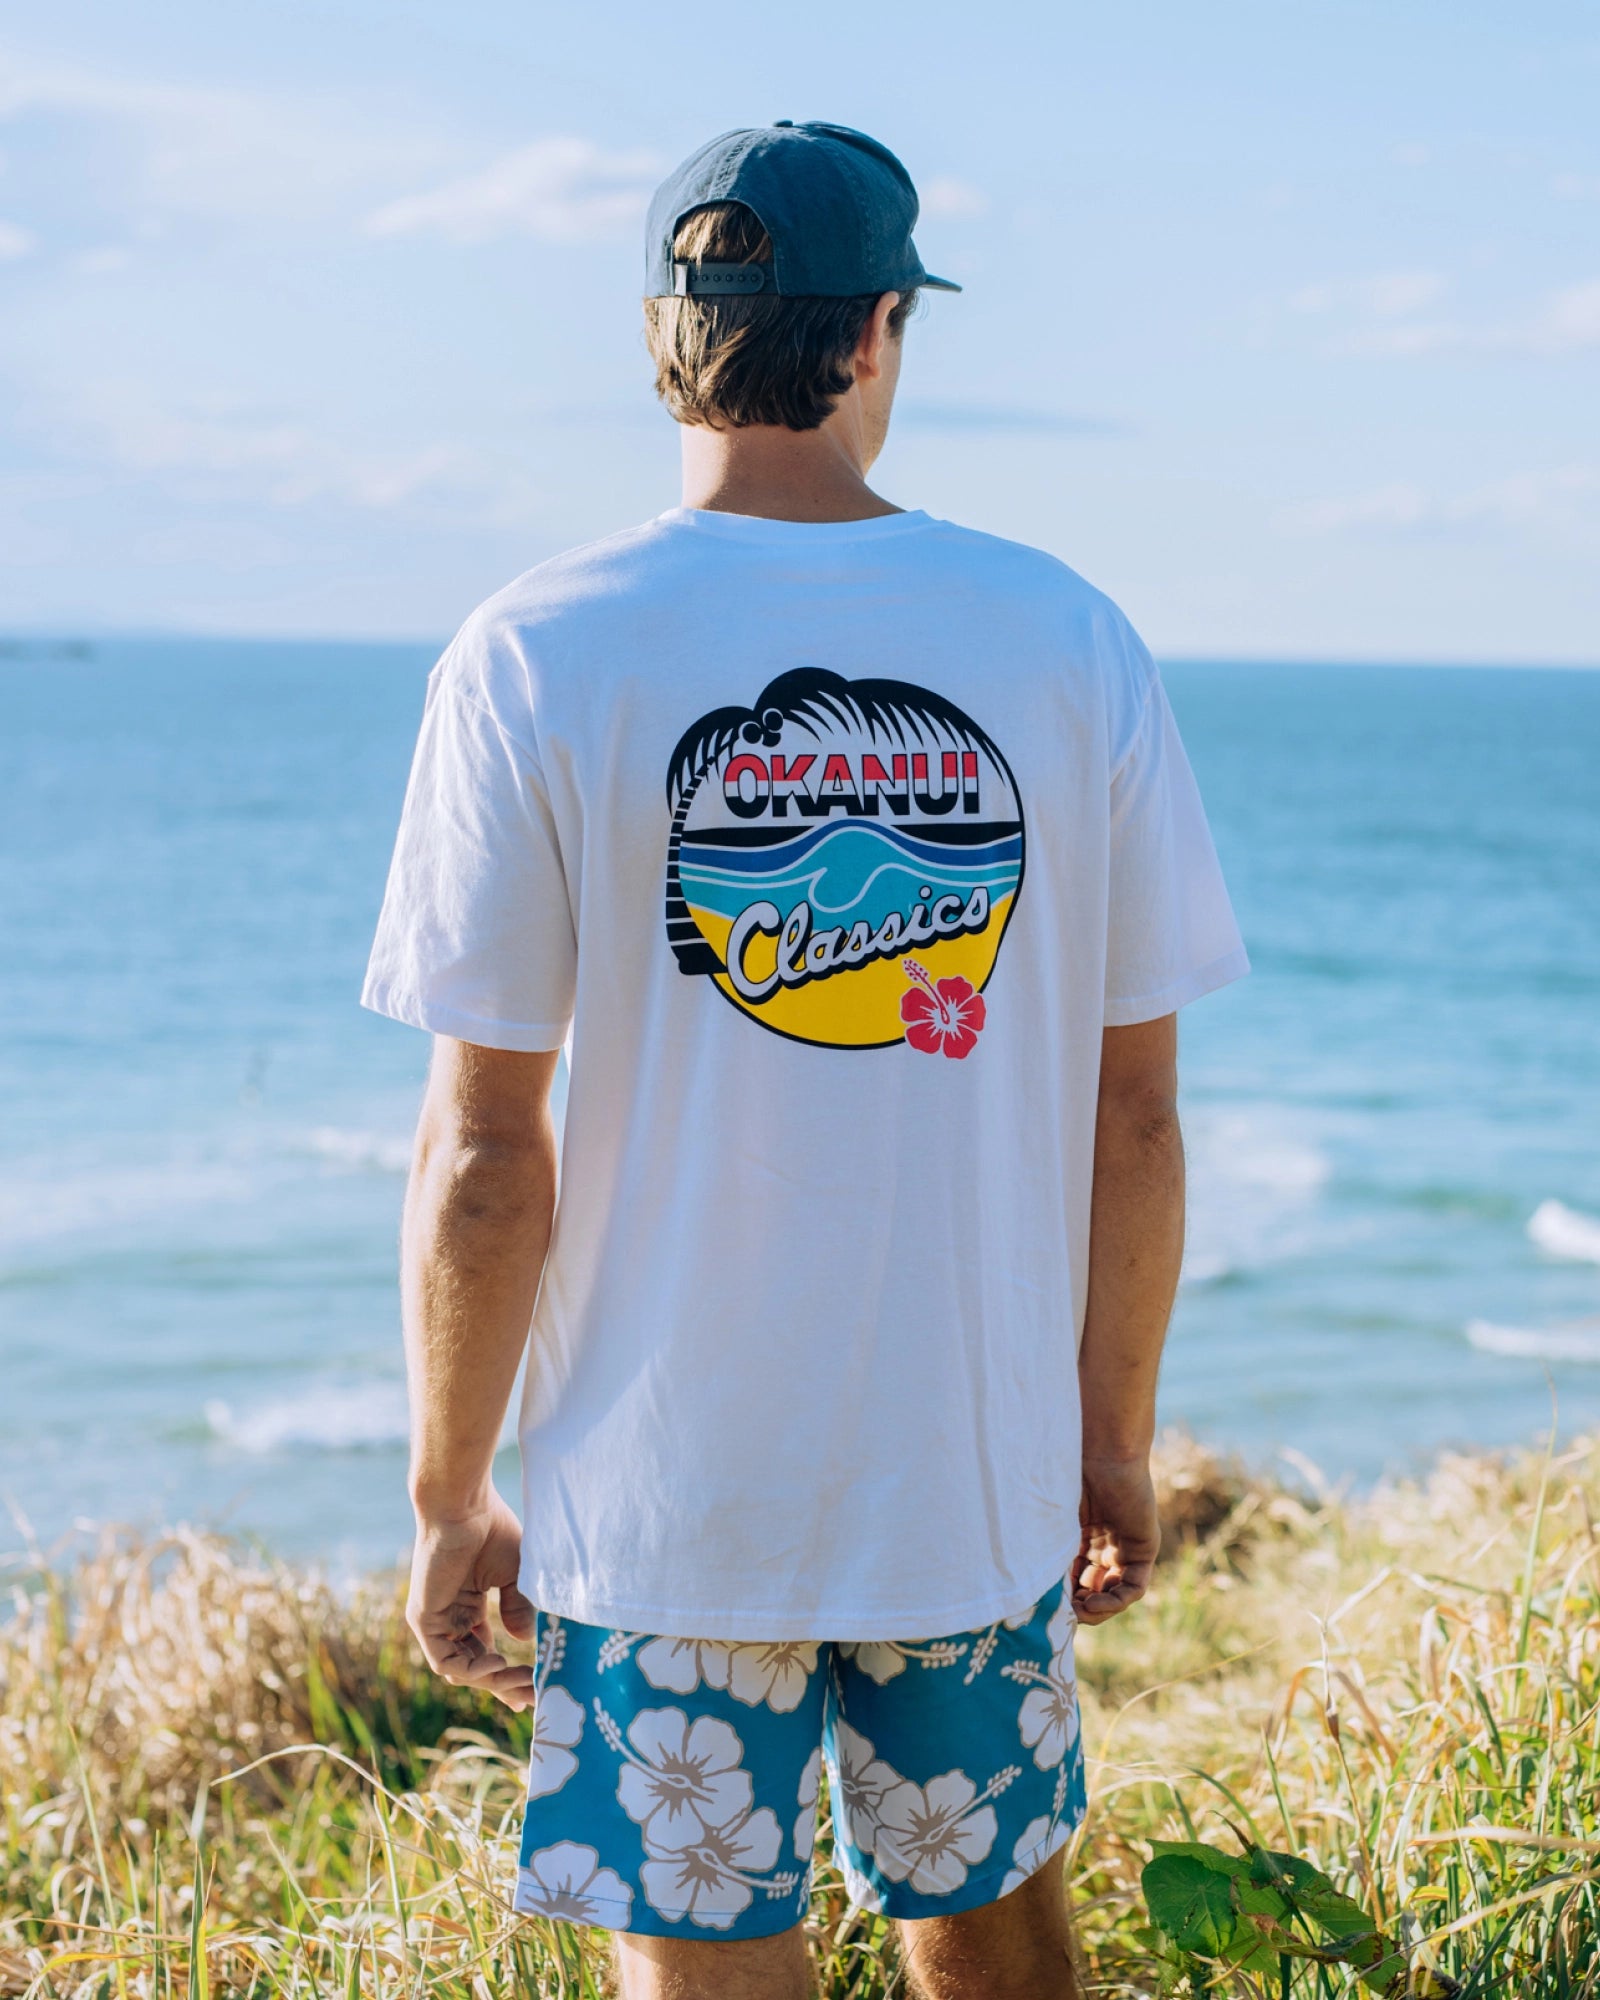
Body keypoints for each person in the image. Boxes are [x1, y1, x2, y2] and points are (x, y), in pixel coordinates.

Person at [362, 120, 1247, 2000]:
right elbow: (1136, 1111)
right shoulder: (1067, 637)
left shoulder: (533, 654)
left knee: (702, 1965)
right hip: (968, 1476)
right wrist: (1108, 1439)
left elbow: (485, 1152)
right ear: (871, 340)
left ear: (667, 343)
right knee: (998, 1940)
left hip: (661, 1503)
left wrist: (451, 1491)